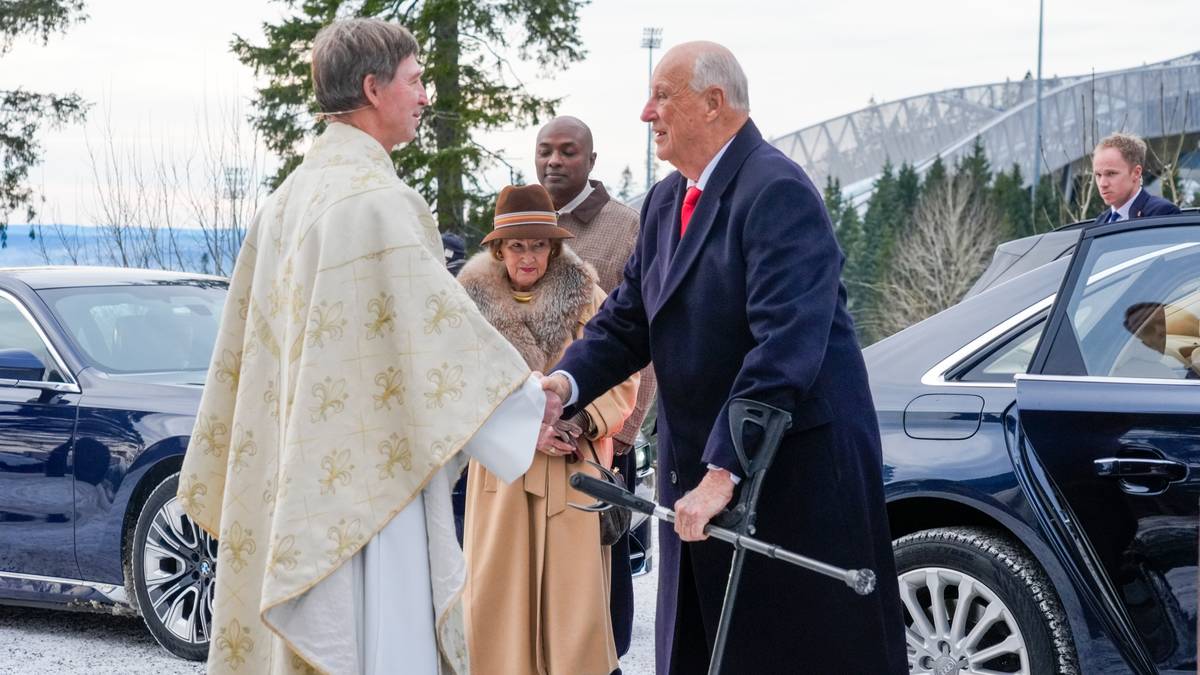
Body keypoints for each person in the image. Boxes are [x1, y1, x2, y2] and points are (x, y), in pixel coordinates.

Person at [179, 19, 548, 675]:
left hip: (301, 480)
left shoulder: (286, 200)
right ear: (374, 88)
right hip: (373, 491)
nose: (425, 96)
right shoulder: (379, 204)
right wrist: (527, 401)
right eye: (414, 80)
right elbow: (444, 344)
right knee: (379, 642)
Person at [541, 42, 907, 673]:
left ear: (714, 103)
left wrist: (723, 471)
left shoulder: (777, 190)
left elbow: (784, 345)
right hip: (705, 477)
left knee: (788, 652)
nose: (645, 112)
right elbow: (629, 321)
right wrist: (564, 384)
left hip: (785, 477)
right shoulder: (663, 202)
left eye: (662, 95)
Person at [457, 183, 639, 675]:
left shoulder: (587, 297)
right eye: (517, 245)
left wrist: (577, 416)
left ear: (555, 247)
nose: (529, 256)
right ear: (498, 248)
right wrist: (520, 429)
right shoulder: (466, 306)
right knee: (499, 609)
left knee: (573, 614)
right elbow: (456, 386)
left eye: (539, 244)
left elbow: (623, 374)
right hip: (503, 476)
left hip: (572, 471)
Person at [534, 114, 655, 660]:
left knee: (604, 565)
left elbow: (643, 332)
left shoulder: (625, 225)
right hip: (530, 430)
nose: (554, 161)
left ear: (591, 160)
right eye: (545, 151)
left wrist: (626, 429)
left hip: (601, 431)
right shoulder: (522, 219)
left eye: (567, 152)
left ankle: (608, 659)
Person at [1093, 132, 1181, 223]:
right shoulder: (1100, 222)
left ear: (1136, 173)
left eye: (1111, 173)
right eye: (1098, 175)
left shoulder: (1162, 213)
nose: (1102, 184)